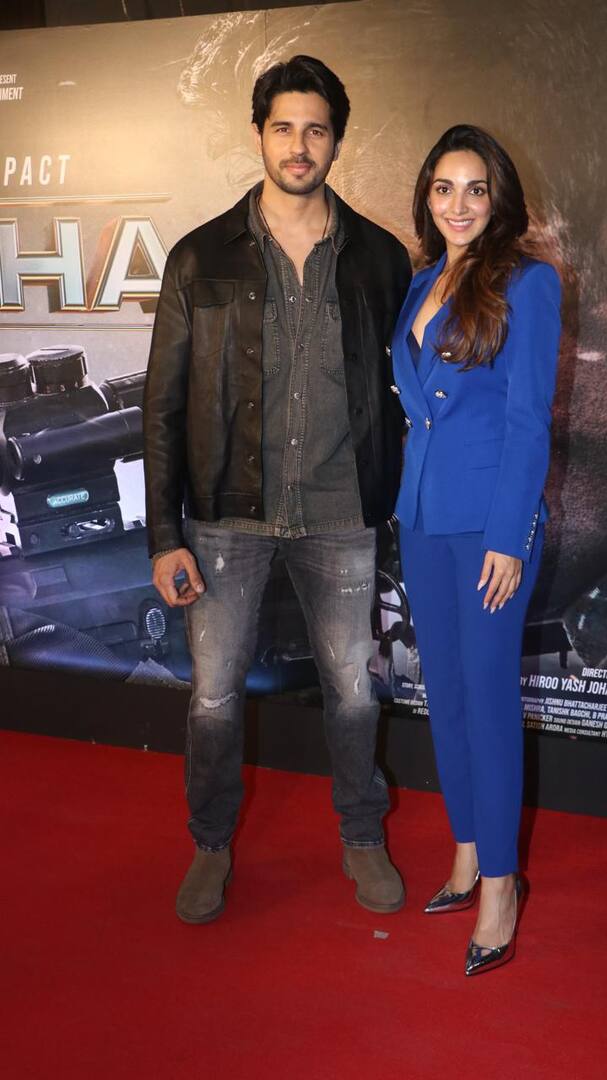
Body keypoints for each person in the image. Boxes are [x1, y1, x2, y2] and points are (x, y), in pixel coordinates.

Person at [143, 55, 411, 923]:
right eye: (285, 127)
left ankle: (363, 835)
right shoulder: (198, 258)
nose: (301, 146)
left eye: (317, 129)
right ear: (259, 134)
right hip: (228, 519)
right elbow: (162, 405)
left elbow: (402, 392)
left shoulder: (377, 257)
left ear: (337, 140)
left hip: (341, 515)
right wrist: (163, 535)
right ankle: (211, 845)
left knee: (354, 691)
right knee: (214, 698)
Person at [392, 125, 561, 974]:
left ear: (498, 198)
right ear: (426, 196)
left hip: (488, 528)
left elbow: (530, 421)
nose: (458, 205)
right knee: (445, 696)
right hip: (421, 519)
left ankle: (500, 882)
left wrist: (509, 538)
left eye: (475, 189)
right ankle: (465, 850)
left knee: (489, 700)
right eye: (443, 188)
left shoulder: (527, 284)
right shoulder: (423, 279)